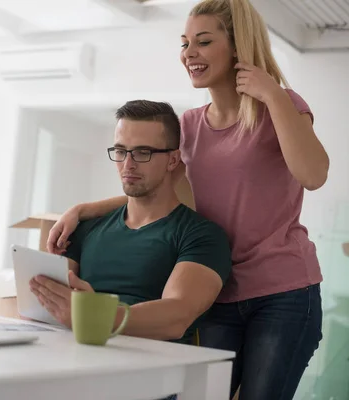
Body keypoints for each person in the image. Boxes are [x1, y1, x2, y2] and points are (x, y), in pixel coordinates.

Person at [46, 1, 328, 399]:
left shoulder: (281, 107)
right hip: (221, 290)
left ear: (237, 48)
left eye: (204, 42)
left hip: (283, 293)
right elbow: (158, 193)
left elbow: (314, 175)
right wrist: (82, 210)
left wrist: (272, 93)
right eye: (185, 43)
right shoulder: (190, 126)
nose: (189, 54)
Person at [29, 100, 232, 346]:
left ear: (172, 160)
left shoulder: (202, 236)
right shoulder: (85, 228)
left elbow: (177, 317)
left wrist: (94, 314)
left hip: (152, 374)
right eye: (121, 151)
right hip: (76, 358)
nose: (128, 164)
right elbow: (43, 306)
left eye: (142, 152)